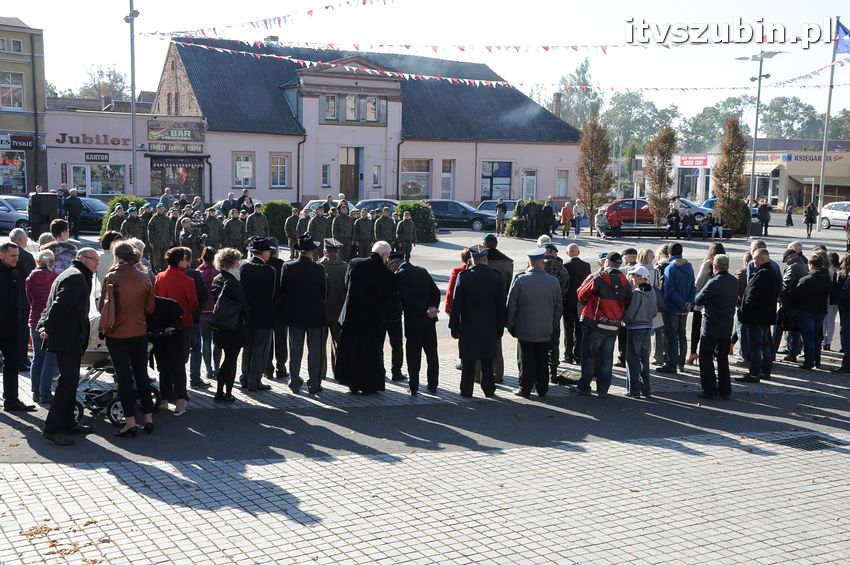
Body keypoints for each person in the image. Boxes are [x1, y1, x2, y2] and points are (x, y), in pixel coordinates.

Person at [39, 248, 99, 445]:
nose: (97, 264)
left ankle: (68, 423)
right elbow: (58, 305)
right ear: (81, 258)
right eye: (94, 260)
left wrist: (45, 325)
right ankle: (53, 428)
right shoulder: (76, 277)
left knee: (70, 382)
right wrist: (46, 327)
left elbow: (53, 304)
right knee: (67, 382)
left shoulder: (73, 274)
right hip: (67, 337)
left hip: (68, 336)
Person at [100, 242, 156, 437]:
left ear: (117, 257)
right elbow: (150, 308)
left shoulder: (112, 277)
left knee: (123, 378)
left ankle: (130, 421)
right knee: (142, 375)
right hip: (139, 331)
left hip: (117, 333)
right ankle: (148, 418)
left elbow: (104, 308)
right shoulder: (144, 276)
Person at [336, 241, 396, 394]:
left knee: (352, 350)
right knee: (370, 353)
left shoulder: (355, 263)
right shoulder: (387, 274)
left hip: (352, 317)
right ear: (384, 255)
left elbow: (346, 284)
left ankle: (352, 384)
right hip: (373, 320)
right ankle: (369, 385)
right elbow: (388, 298)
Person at [449, 245, 505, 398]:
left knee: (468, 360)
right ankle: (489, 389)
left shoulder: (465, 276)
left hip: (469, 325)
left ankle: (466, 390)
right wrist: (501, 326)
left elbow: (457, 303)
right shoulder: (496, 276)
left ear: (472, 260)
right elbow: (501, 305)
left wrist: (454, 326)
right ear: (486, 260)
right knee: (487, 359)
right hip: (489, 325)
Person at [574, 252, 631, 398]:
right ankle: (603, 390)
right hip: (613, 325)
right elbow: (627, 302)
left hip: (594, 322)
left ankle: (584, 387)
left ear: (607, 262)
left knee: (589, 356)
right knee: (607, 359)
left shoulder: (598, 277)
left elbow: (581, 294)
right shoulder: (625, 281)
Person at [507, 247, 563, 399]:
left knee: (525, 359)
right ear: (542, 263)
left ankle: (525, 388)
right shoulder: (553, 281)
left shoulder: (520, 279)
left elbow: (511, 305)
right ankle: (542, 389)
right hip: (545, 328)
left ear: (529, 262)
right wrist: (553, 324)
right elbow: (558, 307)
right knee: (542, 359)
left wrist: (511, 325)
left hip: (524, 328)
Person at [154, 247, 198, 415]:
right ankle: (181, 399)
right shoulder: (188, 281)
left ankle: (164, 399)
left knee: (163, 365)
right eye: (186, 259)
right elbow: (193, 304)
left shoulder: (160, 277)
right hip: (181, 326)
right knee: (178, 364)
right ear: (180, 261)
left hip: (160, 326)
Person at [281, 234, 327, 394]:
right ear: (312, 251)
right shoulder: (319, 268)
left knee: (295, 350)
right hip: (315, 315)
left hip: (294, 315)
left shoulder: (288, 267)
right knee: (315, 351)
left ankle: (294, 382)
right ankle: (314, 383)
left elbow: (283, 291)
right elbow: (324, 292)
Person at [389, 252, 440, 396]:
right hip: (429, 321)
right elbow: (435, 292)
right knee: (432, 355)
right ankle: (433, 385)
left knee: (413, 356)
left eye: (390, 265)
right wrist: (432, 307)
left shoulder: (399, 276)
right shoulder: (422, 270)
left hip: (413, 323)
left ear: (395, 263)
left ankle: (413, 386)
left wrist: (424, 310)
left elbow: (405, 300)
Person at [694, 254, 738, 400]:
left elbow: (699, 299)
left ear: (715, 266)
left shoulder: (714, 282)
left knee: (706, 358)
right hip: (726, 326)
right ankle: (725, 390)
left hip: (711, 326)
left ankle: (710, 389)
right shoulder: (733, 281)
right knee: (722, 359)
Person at [737, 249, 782, 383]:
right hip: (766, 315)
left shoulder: (762, 274)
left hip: (756, 315)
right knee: (765, 344)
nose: (753, 262)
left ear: (762, 259)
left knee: (755, 345)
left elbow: (751, 296)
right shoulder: (772, 273)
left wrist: (744, 312)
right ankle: (765, 371)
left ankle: (755, 373)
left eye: (755, 259)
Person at [210, 248, 248, 402]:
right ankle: (227, 393)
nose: (239, 264)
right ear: (232, 263)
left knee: (226, 358)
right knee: (231, 359)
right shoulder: (233, 282)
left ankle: (219, 391)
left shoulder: (218, 278)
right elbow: (244, 305)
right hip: (234, 326)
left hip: (220, 325)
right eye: (237, 261)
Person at [0, 244, 34, 413]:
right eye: (13, 255)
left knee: (12, 363)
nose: (16, 259)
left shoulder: (14, 272)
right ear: (1, 255)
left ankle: (12, 401)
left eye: (17, 255)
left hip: (11, 327)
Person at [239, 237, 276, 392]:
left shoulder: (244, 268)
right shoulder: (269, 270)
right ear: (265, 253)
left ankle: (245, 378)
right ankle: (255, 380)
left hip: (247, 314)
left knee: (248, 347)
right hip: (264, 315)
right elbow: (273, 294)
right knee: (260, 348)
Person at [26, 249, 58, 404]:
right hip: (49, 321)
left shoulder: (31, 277)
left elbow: (30, 298)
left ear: (38, 261)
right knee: (49, 357)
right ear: (51, 262)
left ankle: (35, 392)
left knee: (37, 358)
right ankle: (45, 394)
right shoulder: (54, 277)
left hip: (34, 320)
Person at [658, 243, 695, 375]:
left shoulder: (670, 268)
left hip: (673, 307)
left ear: (669, 253)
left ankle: (671, 364)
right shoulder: (689, 266)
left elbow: (669, 291)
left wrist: (680, 303)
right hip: (685, 307)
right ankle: (681, 364)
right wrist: (689, 303)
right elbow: (692, 287)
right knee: (682, 335)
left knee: (671, 337)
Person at [791, 253, 832, 371]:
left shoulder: (806, 279)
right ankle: (817, 361)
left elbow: (796, 296)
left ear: (811, 265)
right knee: (816, 337)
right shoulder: (826, 277)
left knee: (808, 338)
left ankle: (808, 362)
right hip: (821, 310)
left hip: (807, 311)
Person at [623, 265, 657, 398]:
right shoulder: (652, 291)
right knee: (644, 359)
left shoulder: (637, 293)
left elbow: (631, 313)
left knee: (632, 359)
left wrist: (624, 320)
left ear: (640, 277)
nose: (632, 278)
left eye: (634, 276)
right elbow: (654, 311)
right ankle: (646, 389)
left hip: (635, 327)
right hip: (647, 327)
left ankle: (633, 390)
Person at [689, 243, 726, 366]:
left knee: (696, 328)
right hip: (715, 302)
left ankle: (693, 353)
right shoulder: (723, 264)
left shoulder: (708, 263)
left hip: (702, 302)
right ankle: (712, 353)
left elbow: (698, 282)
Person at [318, 239, 347, 381]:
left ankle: (320, 373)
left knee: (319, 345)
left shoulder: (318, 266)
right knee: (339, 344)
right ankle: (340, 372)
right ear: (338, 251)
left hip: (321, 312)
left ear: (325, 251)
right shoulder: (345, 266)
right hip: (339, 312)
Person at [542, 243, 569, 383]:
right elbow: (564, 289)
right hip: (555, 310)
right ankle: (553, 372)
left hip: (539, 310)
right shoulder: (562, 269)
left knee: (539, 343)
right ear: (554, 252)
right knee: (554, 343)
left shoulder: (536, 266)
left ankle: (540, 373)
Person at [195, 247, 222, 384]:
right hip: (216, 311)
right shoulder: (219, 272)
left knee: (205, 341)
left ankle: (208, 369)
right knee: (217, 342)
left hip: (203, 310)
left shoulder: (197, 272)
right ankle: (217, 369)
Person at [777, 248, 807, 362]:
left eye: (786, 260)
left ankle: (782, 352)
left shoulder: (792, 267)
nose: (786, 263)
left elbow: (785, 286)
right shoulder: (804, 265)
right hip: (800, 302)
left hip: (789, 303)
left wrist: (779, 296)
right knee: (795, 330)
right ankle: (793, 352)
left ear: (790, 256)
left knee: (780, 328)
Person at [563, 243, 591, 366]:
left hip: (568, 301)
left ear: (567, 253)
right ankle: (578, 354)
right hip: (581, 301)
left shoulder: (565, 266)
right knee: (579, 329)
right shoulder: (586, 265)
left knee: (568, 329)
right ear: (578, 252)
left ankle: (568, 355)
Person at [147, 203, 172, 272]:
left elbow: (171, 230)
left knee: (166, 257)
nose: (161, 210)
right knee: (157, 257)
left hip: (166, 241)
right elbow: (150, 231)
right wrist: (151, 241)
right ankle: (157, 270)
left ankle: (166, 270)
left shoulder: (167, 219)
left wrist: (171, 240)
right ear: (157, 209)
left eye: (162, 209)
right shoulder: (153, 219)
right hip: (156, 242)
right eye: (160, 209)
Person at [823, 253, 841, 351]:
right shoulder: (839, 270)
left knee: (824, 320)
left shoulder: (827, 270)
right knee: (831, 320)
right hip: (835, 299)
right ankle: (829, 341)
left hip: (826, 297)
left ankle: (824, 341)